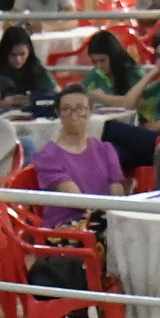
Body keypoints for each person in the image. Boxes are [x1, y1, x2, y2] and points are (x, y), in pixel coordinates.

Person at [97, 33, 160, 172]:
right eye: (159, 56)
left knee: (109, 128)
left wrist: (143, 128)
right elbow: (131, 101)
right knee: (107, 151)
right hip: (151, 142)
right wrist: (151, 74)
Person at [33, 85, 124, 228]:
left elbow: (117, 192)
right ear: (58, 113)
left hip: (105, 219)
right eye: (66, 109)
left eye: (80, 108)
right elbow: (78, 201)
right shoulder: (47, 156)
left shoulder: (106, 149)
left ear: (90, 112)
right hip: (67, 227)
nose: (73, 114)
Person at [0, 26, 55, 114]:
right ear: (4, 53)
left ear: (29, 51)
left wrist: (33, 99)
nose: (18, 60)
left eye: (22, 54)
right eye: (13, 55)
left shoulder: (36, 68)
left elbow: (56, 92)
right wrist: (1, 103)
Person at [79, 29, 142, 99]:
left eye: (102, 60)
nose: (98, 66)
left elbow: (137, 102)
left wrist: (102, 98)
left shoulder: (133, 73)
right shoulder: (97, 72)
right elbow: (80, 92)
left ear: (113, 56)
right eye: (94, 61)